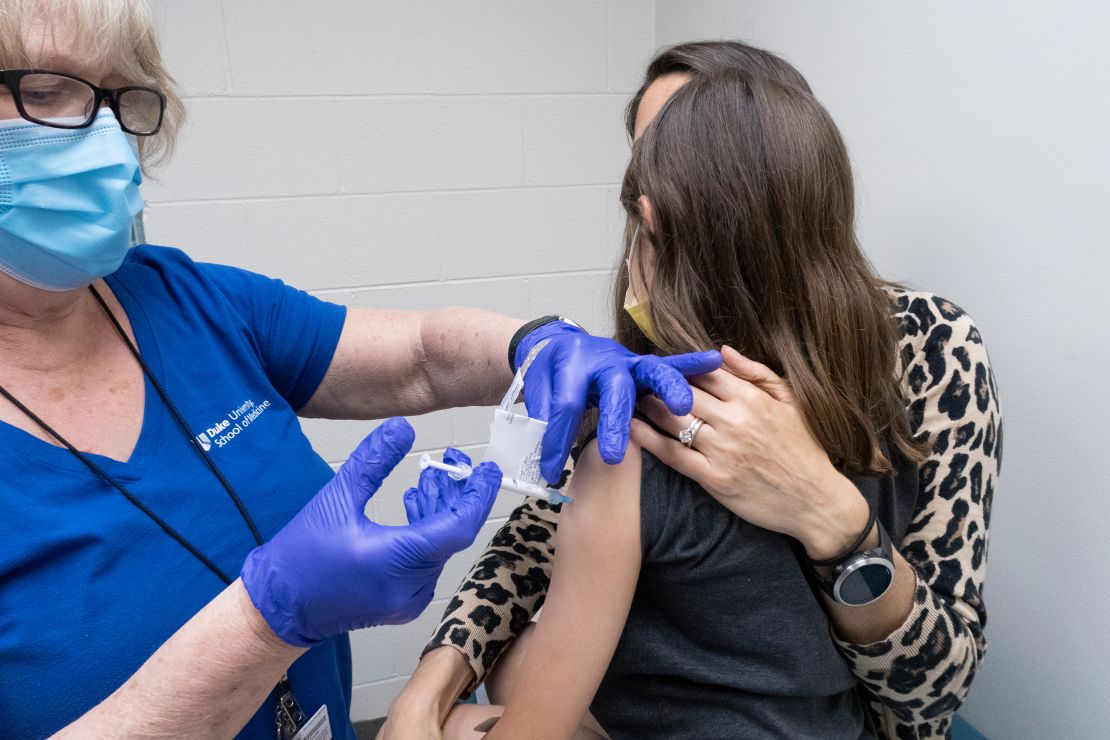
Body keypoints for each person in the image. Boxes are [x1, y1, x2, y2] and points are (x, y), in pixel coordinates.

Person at [0, 2, 721, 738]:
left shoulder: (184, 299)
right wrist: (271, 620)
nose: (102, 136)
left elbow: (420, 358)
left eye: (121, 101)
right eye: (51, 92)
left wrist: (532, 343)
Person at [385, 42, 1002, 740]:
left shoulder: (930, 350)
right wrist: (431, 683)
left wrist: (829, 514)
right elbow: (536, 540)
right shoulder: (642, 379)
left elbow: (933, 695)